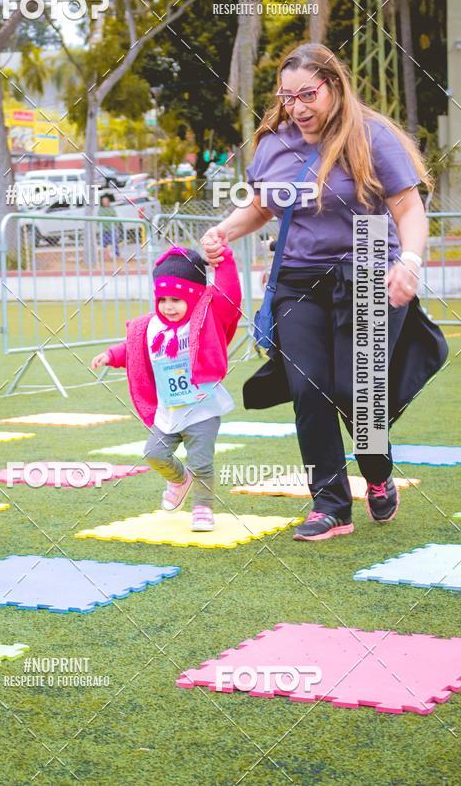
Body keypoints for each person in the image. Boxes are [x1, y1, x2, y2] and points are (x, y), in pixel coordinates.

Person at [202, 42, 447, 542]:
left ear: (334, 86)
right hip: (295, 275)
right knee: (307, 389)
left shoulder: (372, 136)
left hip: (369, 263)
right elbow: (262, 208)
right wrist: (223, 230)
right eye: (288, 97)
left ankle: (377, 473)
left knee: (357, 391)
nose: (298, 107)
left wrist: (411, 260)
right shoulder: (274, 142)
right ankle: (330, 505)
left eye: (308, 94)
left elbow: (407, 208)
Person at [91, 246, 242, 531]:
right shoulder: (150, 327)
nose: (169, 306)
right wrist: (111, 355)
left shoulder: (206, 320)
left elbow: (229, 296)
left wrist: (224, 260)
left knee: (202, 463)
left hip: (202, 409)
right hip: (169, 410)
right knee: (154, 454)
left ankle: (202, 508)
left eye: (177, 299)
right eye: (163, 300)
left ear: (194, 296)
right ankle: (179, 480)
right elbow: (134, 349)